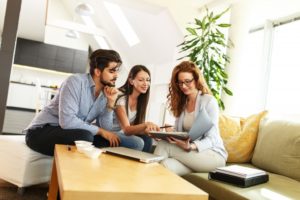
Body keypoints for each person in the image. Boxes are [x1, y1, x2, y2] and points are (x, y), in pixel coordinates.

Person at [25, 49, 126, 156]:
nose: (116, 75)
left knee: (107, 141)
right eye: (112, 71)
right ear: (97, 72)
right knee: (85, 137)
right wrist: (100, 131)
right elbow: (67, 121)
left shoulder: (107, 92)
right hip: (41, 131)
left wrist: (110, 104)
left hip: (69, 131)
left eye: (117, 71)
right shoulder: (75, 82)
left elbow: (106, 130)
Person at [154, 61, 228, 176]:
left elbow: (212, 138)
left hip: (212, 155)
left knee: (164, 146)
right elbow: (184, 134)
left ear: (196, 80)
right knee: (165, 165)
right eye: (180, 83)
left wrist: (191, 146)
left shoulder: (208, 101)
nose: (183, 86)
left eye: (187, 81)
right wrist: (168, 134)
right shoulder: (182, 103)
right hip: (193, 156)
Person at [111, 65, 160, 152]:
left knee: (148, 139)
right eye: (141, 80)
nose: (146, 83)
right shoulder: (121, 98)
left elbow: (134, 127)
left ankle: (142, 164)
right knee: (138, 142)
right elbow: (126, 130)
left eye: (148, 80)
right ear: (131, 81)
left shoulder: (140, 101)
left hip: (122, 133)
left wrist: (151, 133)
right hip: (111, 133)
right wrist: (146, 124)